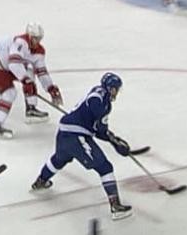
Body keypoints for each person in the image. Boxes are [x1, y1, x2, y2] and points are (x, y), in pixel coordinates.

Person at [29, 72, 135, 220]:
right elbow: (100, 131)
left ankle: (41, 181)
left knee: (59, 158)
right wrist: (114, 142)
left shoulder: (97, 92)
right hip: (76, 136)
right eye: (116, 89)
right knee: (105, 167)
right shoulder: (102, 102)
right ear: (111, 88)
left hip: (64, 130)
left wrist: (114, 140)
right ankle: (116, 206)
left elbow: (98, 129)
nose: (117, 92)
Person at [0, 23, 62, 138]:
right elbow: (13, 64)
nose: (37, 41)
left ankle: (31, 109)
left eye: (39, 39)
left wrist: (50, 88)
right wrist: (25, 81)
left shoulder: (39, 51)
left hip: (5, 65)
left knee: (29, 71)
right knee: (10, 93)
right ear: (29, 36)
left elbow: (41, 72)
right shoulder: (20, 43)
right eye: (34, 38)